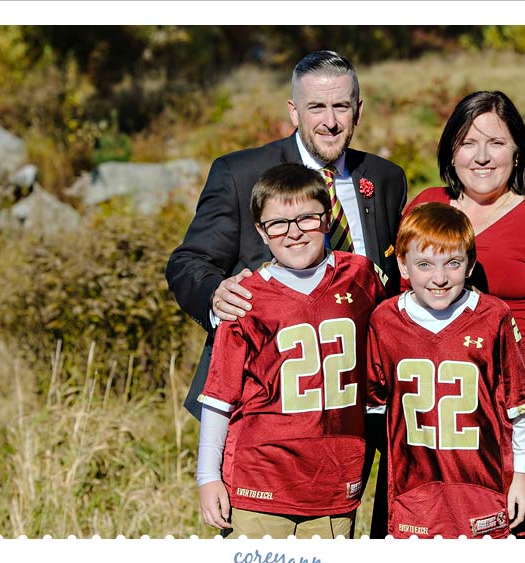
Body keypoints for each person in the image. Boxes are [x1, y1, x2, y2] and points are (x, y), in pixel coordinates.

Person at [166, 50, 406, 538]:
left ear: (359, 110)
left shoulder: (384, 178)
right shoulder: (240, 173)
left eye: (342, 107)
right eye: (317, 107)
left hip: (358, 399)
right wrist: (216, 296)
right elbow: (188, 262)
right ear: (294, 111)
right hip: (269, 406)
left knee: (347, 529)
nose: (331, 121)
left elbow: (391, 278)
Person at [407, 90, 525, 538]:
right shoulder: (429, 206)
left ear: (517, 150)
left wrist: (514, 382)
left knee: (515, 529)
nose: (482, 157)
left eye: (497, 142)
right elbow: (400, 293)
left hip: (519, 396)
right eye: (468, 142)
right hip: (439, 397)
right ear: (452, 149)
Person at [196, 164, 387, 538]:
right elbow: (220, 397)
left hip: (334, 480)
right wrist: (207, 476)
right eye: (278, 223)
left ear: (328, 218)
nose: (294, 232)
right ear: (260, 232)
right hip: (260, 483)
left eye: (307, 218)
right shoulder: (246, 296)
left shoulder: (360, 276)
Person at [366, 202, 525, 538]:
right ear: (403, 264)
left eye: (453, 263)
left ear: (470, 263)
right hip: (413, 493)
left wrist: (522, 476)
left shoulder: (493, 317)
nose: (440, 278)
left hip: (482, 488)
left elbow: (521, 407)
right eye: (425, 264)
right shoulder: (385, 320)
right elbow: (373, 411)